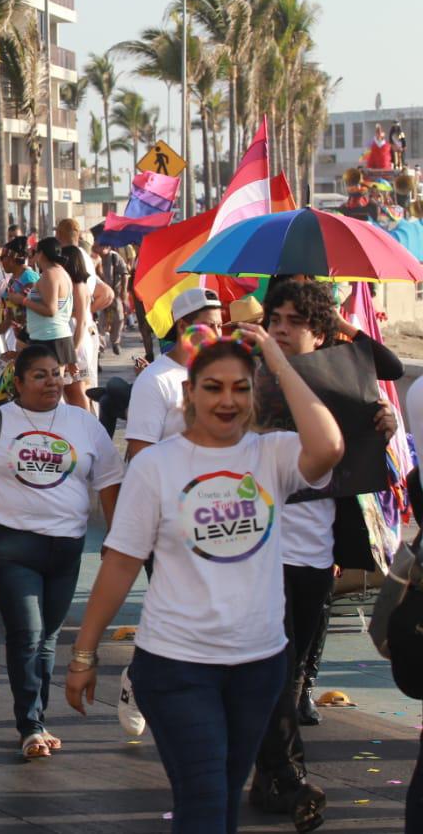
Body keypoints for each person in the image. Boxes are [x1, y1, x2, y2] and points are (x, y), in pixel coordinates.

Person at [65, 323, 343, 833]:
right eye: (213, 387)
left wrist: (279, 363)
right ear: (189, 393)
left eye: (241, 387)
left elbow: (327, 446)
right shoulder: (156, 466)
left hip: (259, 665)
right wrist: (84, 653)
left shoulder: (271, 454)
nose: (228, 401)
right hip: (177, 666)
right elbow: (122, 561)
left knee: (223, 802)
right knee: (204, 798)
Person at [247, 280, 402, 824]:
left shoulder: (340, 382)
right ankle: (290, 781)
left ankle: (268, 782)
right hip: (258, 552)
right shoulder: (250, 379)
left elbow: (389, 365)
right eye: (276, 318)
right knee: (273, 671)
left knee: (285, 678)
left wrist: (380, 426)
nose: (282, 329)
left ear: (322, 332)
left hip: (315, 554)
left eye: (295, 320)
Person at [0, 343, 123, 759]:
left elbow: (110, 479)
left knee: (48, 639)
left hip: (66, 547)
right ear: (19, 382)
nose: (51, 382)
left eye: (56, 374)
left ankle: (37, 716)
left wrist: (119, 540)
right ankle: (31, 724)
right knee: (26, 634)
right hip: (9, 547)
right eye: (40, 375)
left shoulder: (83, 423)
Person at [124, 287, 224, 460]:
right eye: (208, 326)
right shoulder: (154, 380)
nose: (216, 335)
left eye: (219, 326)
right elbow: (140, 455)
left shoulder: (221, 375)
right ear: (183, 327)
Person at [11, 238, 73, 391]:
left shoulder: (50, 275)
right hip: (53, 336)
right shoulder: (61, 273)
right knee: (53, 389)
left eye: (35, 252)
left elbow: (51, 310)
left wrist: (22, 300)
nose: (33, 255)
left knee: (49, 389)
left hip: (50, 338)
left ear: (42, 254)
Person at [56, 244, 96, 410]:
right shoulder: (73, 285)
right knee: (72, 389)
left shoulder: (78, 286)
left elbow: (81, 322)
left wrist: (72, 353)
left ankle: (84, 426)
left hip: (77, 341)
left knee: (76, 389)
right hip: (73, 339)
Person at [94, 242, 128, 355]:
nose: (103, 248)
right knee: (101, 321)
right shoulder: (93, 258)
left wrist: (124, 291)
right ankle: (100, 346)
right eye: (100, 245)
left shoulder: (114, 257)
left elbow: (124, 274)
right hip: (98, 295)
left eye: (105, 245)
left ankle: (115, 341)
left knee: (119, 317)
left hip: (115, 293)